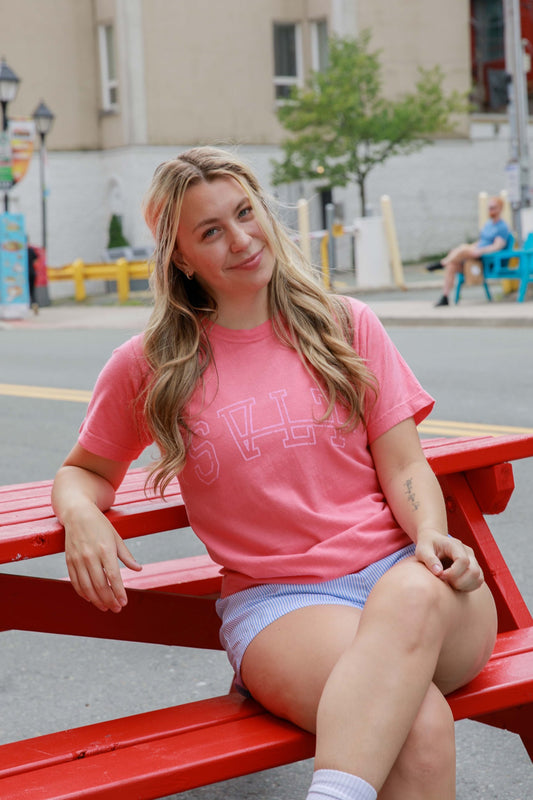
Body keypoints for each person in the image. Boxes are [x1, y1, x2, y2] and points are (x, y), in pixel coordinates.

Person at [51, 147, 497, 800]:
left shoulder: (344, 325)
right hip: (287, 605)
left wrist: (430, 532)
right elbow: (83, 471)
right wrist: (82, 513)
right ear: (181, 259)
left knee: (409, 594)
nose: (239, 239)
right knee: (418, 725)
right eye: (210, 231)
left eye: (244, 212)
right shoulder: (151, 365)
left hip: (414, 584)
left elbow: (403, 462)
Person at [428, 196, 510, 307]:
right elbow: (481, 241)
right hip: (473, 258)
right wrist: (471, 247)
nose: (490, 210)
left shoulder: (502, 227)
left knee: (462, 249)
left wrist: (481, 251)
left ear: (500, 209)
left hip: (484, 260)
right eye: (489, 208)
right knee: (452, 264)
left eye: (493, 208)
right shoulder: (488, 225)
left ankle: (442, 263)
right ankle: (445, 297)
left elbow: (497, 246)